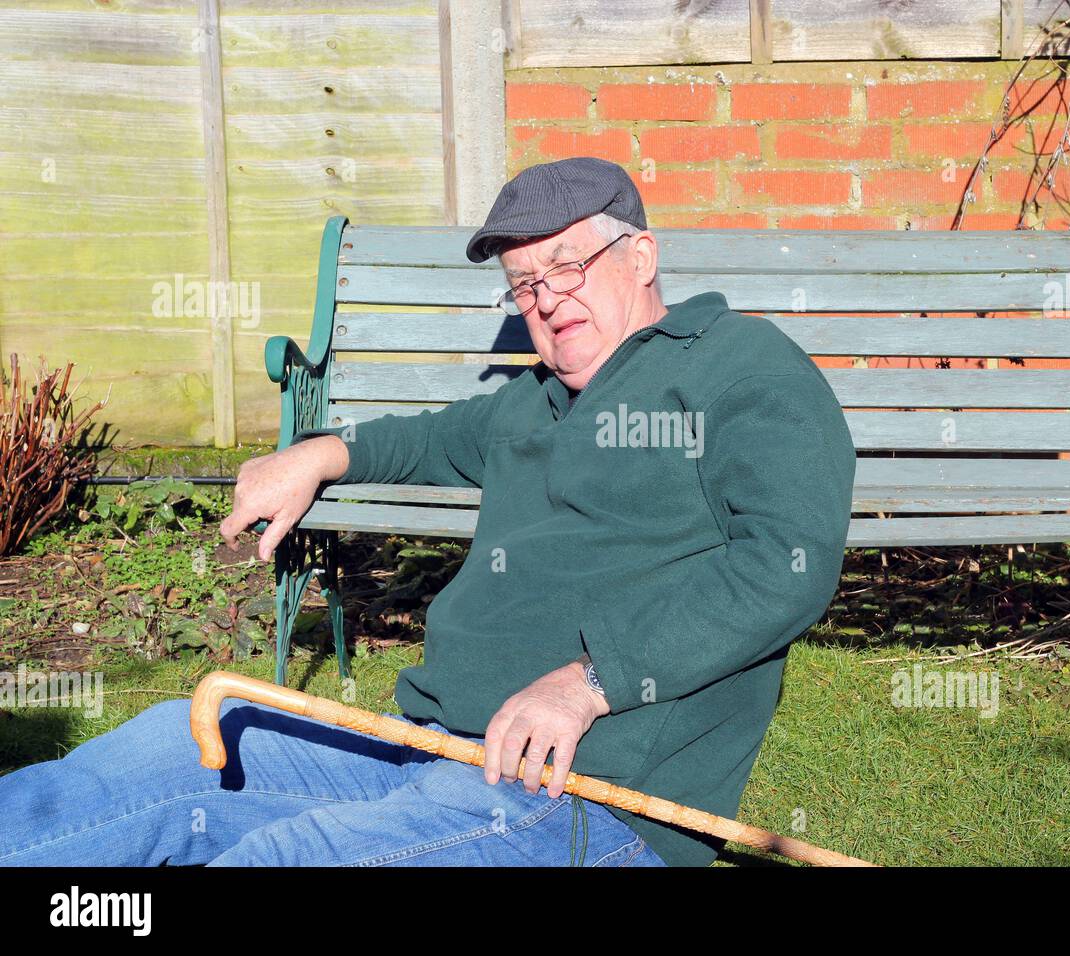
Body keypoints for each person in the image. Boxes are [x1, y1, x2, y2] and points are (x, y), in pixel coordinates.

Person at [0, 157, 855, 867]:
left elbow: (785, 565)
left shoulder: (743, 372)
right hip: (419, 744)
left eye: (567, 266)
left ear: (641, 256)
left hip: (576, 796)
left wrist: (590, 682)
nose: (547, 298)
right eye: (524, 283)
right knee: (154, 758)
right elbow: (430, 439)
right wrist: (319, 454)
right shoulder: (536, 401)